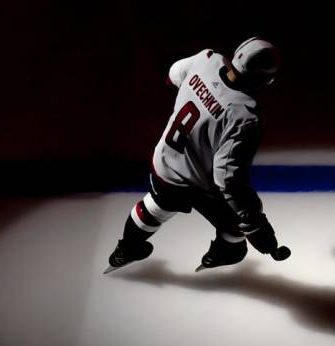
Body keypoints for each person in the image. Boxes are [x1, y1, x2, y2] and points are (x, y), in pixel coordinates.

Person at [106, 37, 284, 273]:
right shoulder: (244, 116)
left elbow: (173, 74)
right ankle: (225, 252)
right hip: (194, 182)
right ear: (263, 79)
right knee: (234, 226)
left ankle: (127, 247)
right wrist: (257, 227)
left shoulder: (206, 59)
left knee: (155, 206)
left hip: (164, 162)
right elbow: (228, 179)